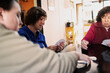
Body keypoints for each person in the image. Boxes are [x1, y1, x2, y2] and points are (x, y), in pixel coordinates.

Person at [0, 0, 91, 73]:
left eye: (44, 20)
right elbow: (36, 59)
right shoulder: (20, 35)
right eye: (41, 19)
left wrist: (51, 49)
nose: (20, 22)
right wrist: (75, 56)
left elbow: (40, 55)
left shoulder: (41, 36)